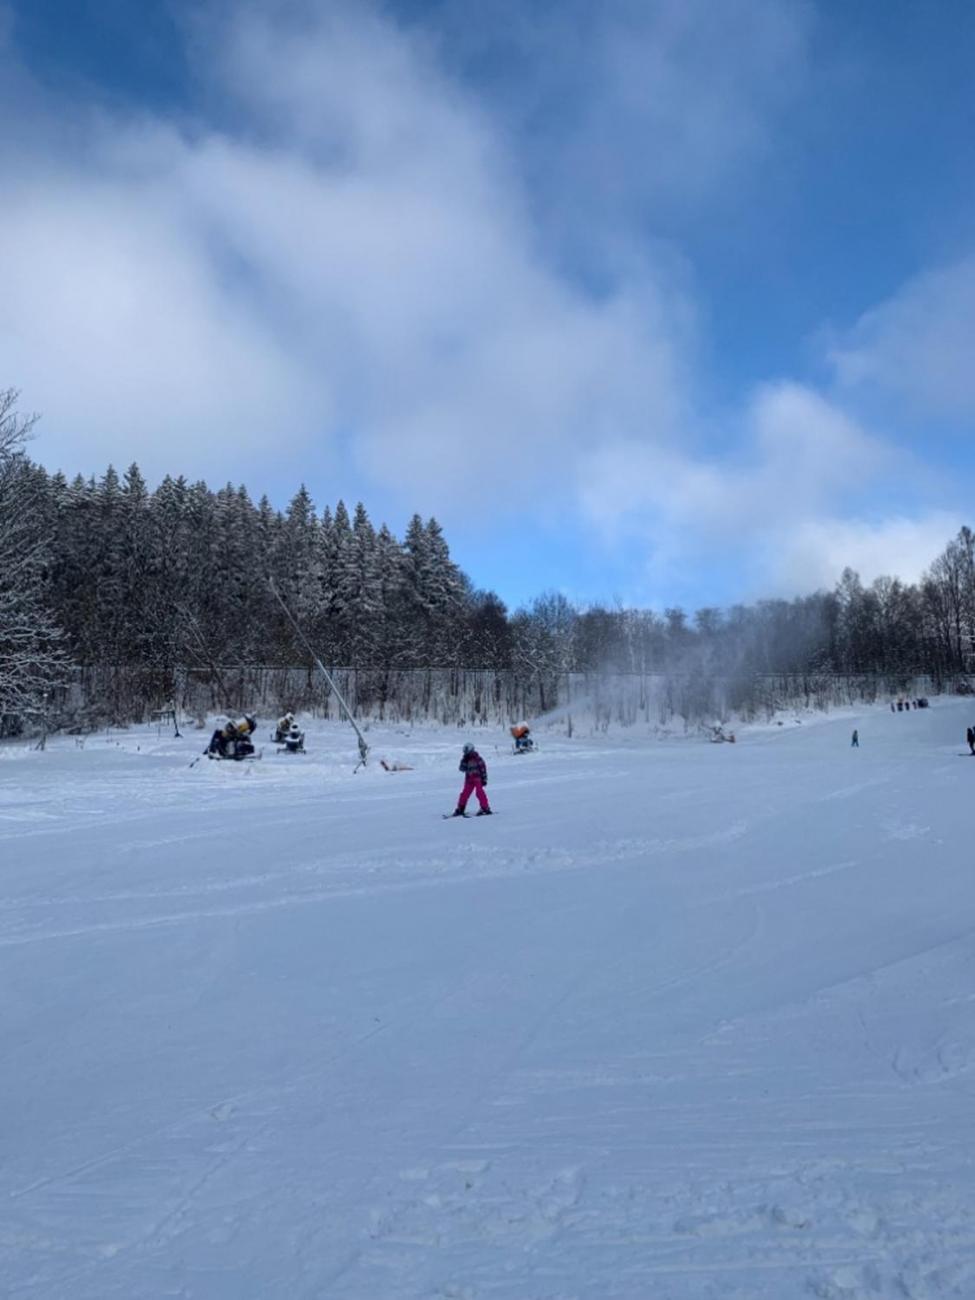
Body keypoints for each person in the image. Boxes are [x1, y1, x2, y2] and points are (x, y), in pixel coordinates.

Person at [452, 742, 492, 816]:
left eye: (467, 752)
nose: (466, 754)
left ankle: (485, 807)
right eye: (465, 752)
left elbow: (483, 769)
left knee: (479, 792)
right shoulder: (465, 759)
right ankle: (461, 808)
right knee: (464, 793)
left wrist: (484, 779)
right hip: (469, 779)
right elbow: (461, 769)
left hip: (477, 779)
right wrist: (464, 761)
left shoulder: (478, 759)